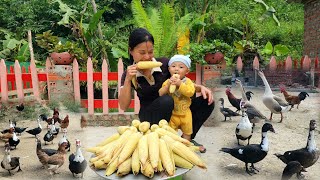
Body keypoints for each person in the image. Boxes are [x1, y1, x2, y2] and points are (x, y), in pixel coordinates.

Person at [119, 28, 214, 150]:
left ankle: (187, 139)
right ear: (131, 51)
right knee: (166, 100)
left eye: (150, 52)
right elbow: (123, 105)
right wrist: (127, 80)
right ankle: (162, 142)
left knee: (208, 101)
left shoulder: (164, 64)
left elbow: (181, 80)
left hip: (175, 109)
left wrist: (201, 88)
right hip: (150, 115)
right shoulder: (128, 75)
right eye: (142, 53)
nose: (147, 57)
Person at [158, 54, 194, 141]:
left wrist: (180, 84)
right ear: (169, 69)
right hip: (173, 114)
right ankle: (172, 145)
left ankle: (186, 146)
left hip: (185, 114)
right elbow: (160, 93)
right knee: (170, 133)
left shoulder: (188, 82)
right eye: (173, 66)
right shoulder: (168, 81)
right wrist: (167, 86)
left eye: (181, 67)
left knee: (187, 132)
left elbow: (190, 93)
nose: (176, 69)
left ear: (187, 71)